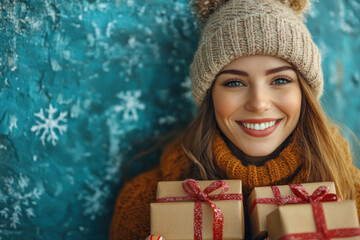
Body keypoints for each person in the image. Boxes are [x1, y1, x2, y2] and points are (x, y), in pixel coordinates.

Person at [109, 0, 360, 239]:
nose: (259, 103)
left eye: (280, 80)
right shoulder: (143, 205)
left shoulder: (354, 199)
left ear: (304, 93)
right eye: (234, 82)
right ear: (210, 96)